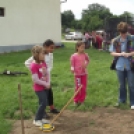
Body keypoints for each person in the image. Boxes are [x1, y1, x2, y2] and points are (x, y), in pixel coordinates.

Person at [25, 39, 59, 116]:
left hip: (47, 78)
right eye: (51, 47)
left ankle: (52, 108)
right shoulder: (38, 55)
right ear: (45, 47)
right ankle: (42, 112)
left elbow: (50, 66)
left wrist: (47, 74)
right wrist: (36, 72)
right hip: (40, 80)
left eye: (53, 48)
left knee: (49, 93)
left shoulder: (50, 54)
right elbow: (27, 63)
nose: (52, 49)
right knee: (42, 97)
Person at [109, 22, 134, 109]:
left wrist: (130, 54)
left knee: (131, 85)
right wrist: (120, 54)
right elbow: (112, 52)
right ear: (119, 32)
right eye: (121, 33)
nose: (123, 35)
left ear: (127, 31)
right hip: (119, 66)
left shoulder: (132, 38)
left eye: (125, 33)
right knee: (121, 85)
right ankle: (121, 100)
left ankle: (132, 103)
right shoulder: (115, 40)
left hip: (130, 65)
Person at [30, 45, 50, 126]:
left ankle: (41, 118)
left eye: (44, 53)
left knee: (44, 102)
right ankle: (37, 119)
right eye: (42, 53)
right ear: (36, 54)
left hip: (45, 87)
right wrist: (45, 84)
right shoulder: (33, 65)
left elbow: (47, 73)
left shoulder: (43, 62)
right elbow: (36, 80)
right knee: (43, 103)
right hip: (39, 88)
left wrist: (48, 83)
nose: (44, 55)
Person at [70, 41, 90, 106]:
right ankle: (76, 100)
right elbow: (72, 65)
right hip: (77, 75)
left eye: (84, 47)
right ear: (77, 47)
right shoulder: (73, 56)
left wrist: (85, 64)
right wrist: (72, 69)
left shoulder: (85, 55)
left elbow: (88, 60)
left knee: (83, 87)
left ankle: (82, 100)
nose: (83, 49)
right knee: (77, 87)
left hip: (84, 74)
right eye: (81, 47)